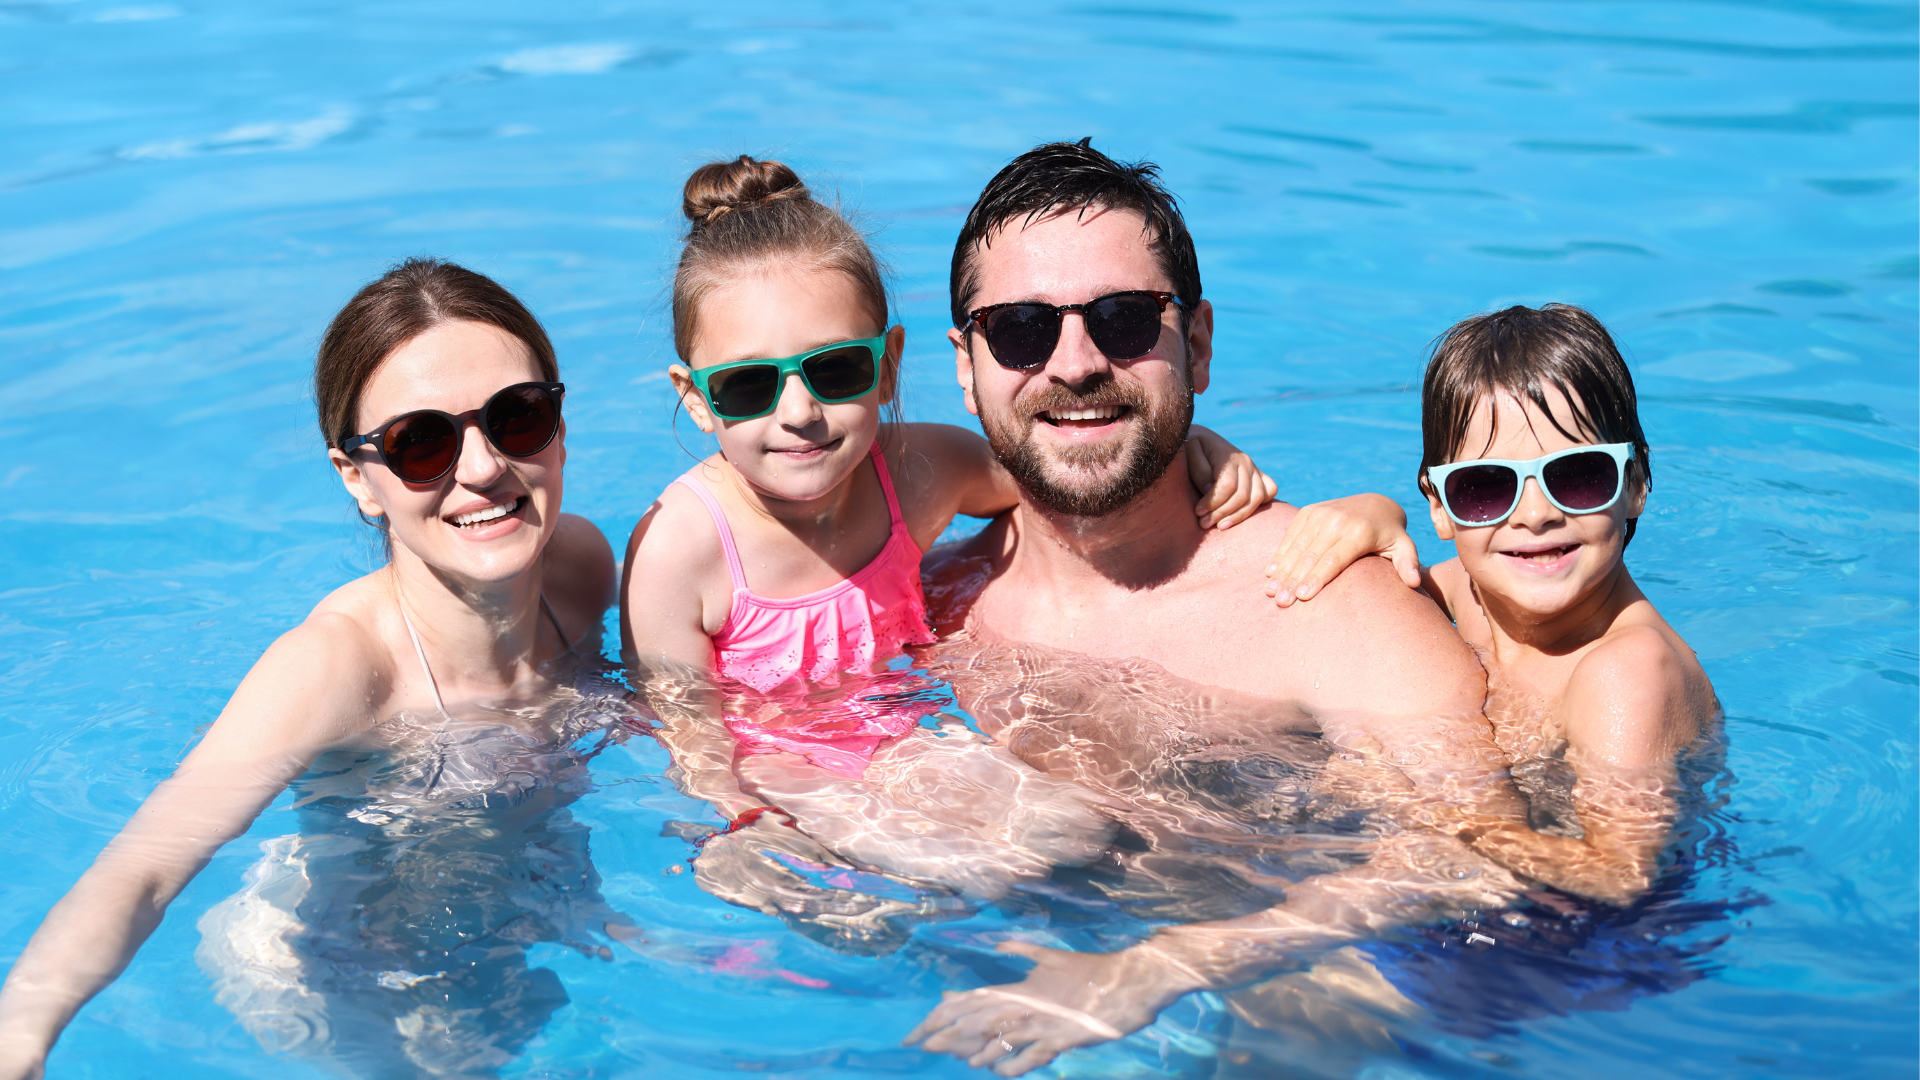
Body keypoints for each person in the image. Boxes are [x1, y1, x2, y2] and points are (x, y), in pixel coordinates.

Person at [901, 141, 1654, 1076]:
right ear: (967, 368)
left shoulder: (1325, 608)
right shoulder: (920, 600)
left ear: (1199, 345)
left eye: (1127, 320)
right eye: (1020, 329)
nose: (1077, 362)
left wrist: (1155, 969)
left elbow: (1472, 859)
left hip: (1320, 1005)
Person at [0, 259, 636, 1079]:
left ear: (559, 422)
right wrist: (22, 1029)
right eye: (421, 442)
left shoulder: (579, 571)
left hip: (518, 903)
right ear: (357, 479)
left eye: (517, 417)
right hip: (340, 966)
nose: (480, 468)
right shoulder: (337, 667)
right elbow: (145, 867)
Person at [620, 156, 1280, 915]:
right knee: (976, 877)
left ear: (890, 365)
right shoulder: (681, 546)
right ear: (696, 400)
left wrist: (1195, 449)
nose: (799, 412)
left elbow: (1061, 474)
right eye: (747, 385)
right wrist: (741, 820)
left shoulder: (916, 472)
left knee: (1076, 833)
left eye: (835, 371)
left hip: (900, 733)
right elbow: (683, 729)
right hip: (775, 764)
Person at [1267, 302, 1720, 899]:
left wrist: (1427, 807)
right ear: (1439, 506)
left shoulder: (1627, 673)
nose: (1536, 515)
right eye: (1484, 488)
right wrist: (1373, 511)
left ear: (1634, 485)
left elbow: (1619, 878)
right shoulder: (1459, 592)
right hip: (1479, 890)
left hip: (1598, 946)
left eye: (1578, 475)